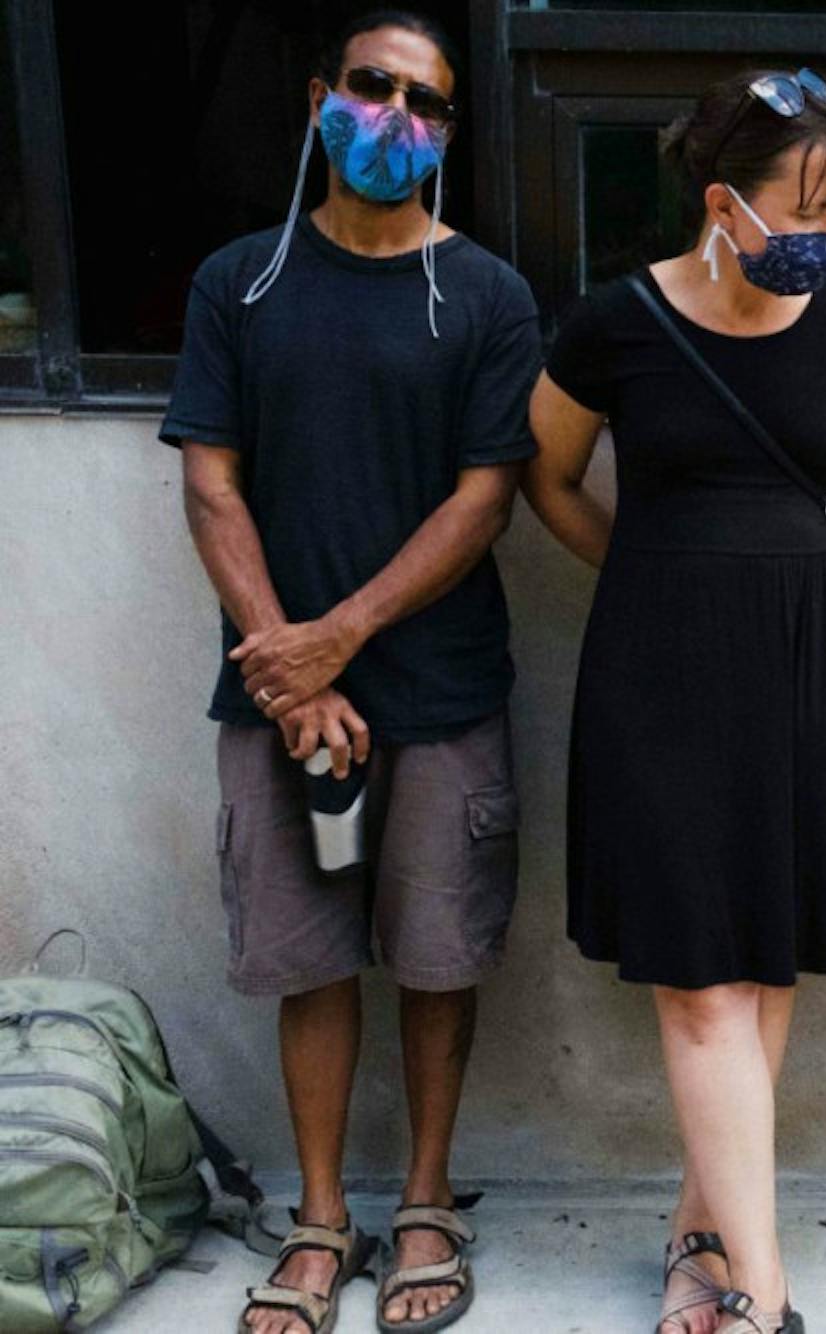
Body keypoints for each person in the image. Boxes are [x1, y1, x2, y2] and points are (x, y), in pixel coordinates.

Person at [159, 10, 540, 1332]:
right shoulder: (240, 283)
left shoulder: (486, 293)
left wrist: (344, 636)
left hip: (438, 694)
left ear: (447, 133)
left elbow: (486, 498)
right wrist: (290, 666)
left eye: (425, 103)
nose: (395, 119)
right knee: (311, 959)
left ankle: (425, 1200)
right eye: (372, 88)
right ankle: (322, 1218)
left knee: (437, 956)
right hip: (280, 706)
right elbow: (212, 487)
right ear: (321, 97)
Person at [522, 68, 826, 1334]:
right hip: (661, 669)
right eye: (805, 208)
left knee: (762, 964)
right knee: (698, 984)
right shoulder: (613, 325)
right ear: (720, 204)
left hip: (814, 664)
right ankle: (766, 1293)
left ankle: (702, 1241)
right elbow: (548, 478)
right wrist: (652, 568)